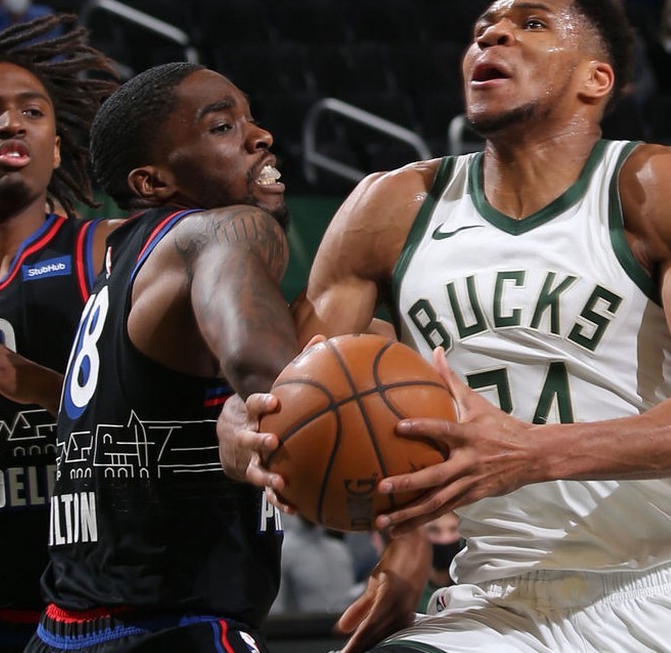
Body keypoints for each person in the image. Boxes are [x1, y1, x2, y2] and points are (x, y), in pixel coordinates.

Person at [237, 0, 671, 652]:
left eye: (531, 24)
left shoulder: (660, 187)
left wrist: (534, 452)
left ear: (595, 79)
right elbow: (294, 393)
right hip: (496, 603)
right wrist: (397, 530)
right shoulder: (390, 208)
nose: (493, 36)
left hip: (670, 585)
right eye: (484, 28)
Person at [25, 62, 427, 653]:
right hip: (173, 629)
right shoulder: (226, 229)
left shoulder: (122, 263)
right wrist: (409, 528)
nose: (259, 136)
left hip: (61, 629)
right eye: (221, 127)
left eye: (250, 118)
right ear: (153, 182)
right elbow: (278, 383)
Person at [0, 14, 117, 653]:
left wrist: (38, 385)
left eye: (32, 112)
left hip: (78, 611)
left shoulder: (110, 256)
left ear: (55, 148)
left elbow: (162, 422)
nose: (12, 123)